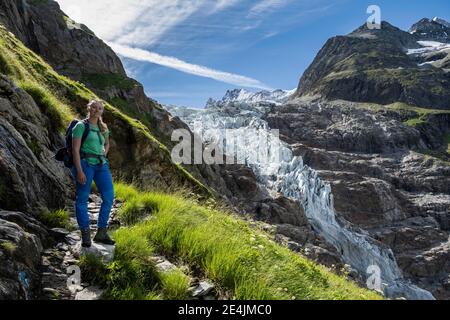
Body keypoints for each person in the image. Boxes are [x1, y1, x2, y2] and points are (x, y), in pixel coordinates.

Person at [71, 100, 115, 247]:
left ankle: (101, 232)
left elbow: (107, 143)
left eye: (100, 108)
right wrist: (79, 171)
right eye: (94, 107)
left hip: (101, 165)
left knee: (109, 197)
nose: (97, 110)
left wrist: (104, 153)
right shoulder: (80, 126)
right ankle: (85, 234)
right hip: (85, 164)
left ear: (102, 111)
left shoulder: (104, 128)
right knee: (82, 199)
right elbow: (75, 150)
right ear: (89, 109)